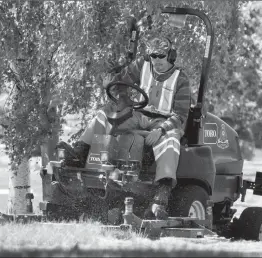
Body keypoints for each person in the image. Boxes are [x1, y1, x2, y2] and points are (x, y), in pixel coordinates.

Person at [57, 36, 191, 220]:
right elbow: (120, 82)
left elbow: (181, 115)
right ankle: (81, 153)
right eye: (154, 56)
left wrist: (161, 130)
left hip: (163, 121)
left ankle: (163, 190)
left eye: (161, 56)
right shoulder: (142, 65)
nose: (157, 60)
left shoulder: (180, 79)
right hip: (138, 113)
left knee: (171, 140)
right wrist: (124, 101)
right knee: (105, 115)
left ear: (170, 55)